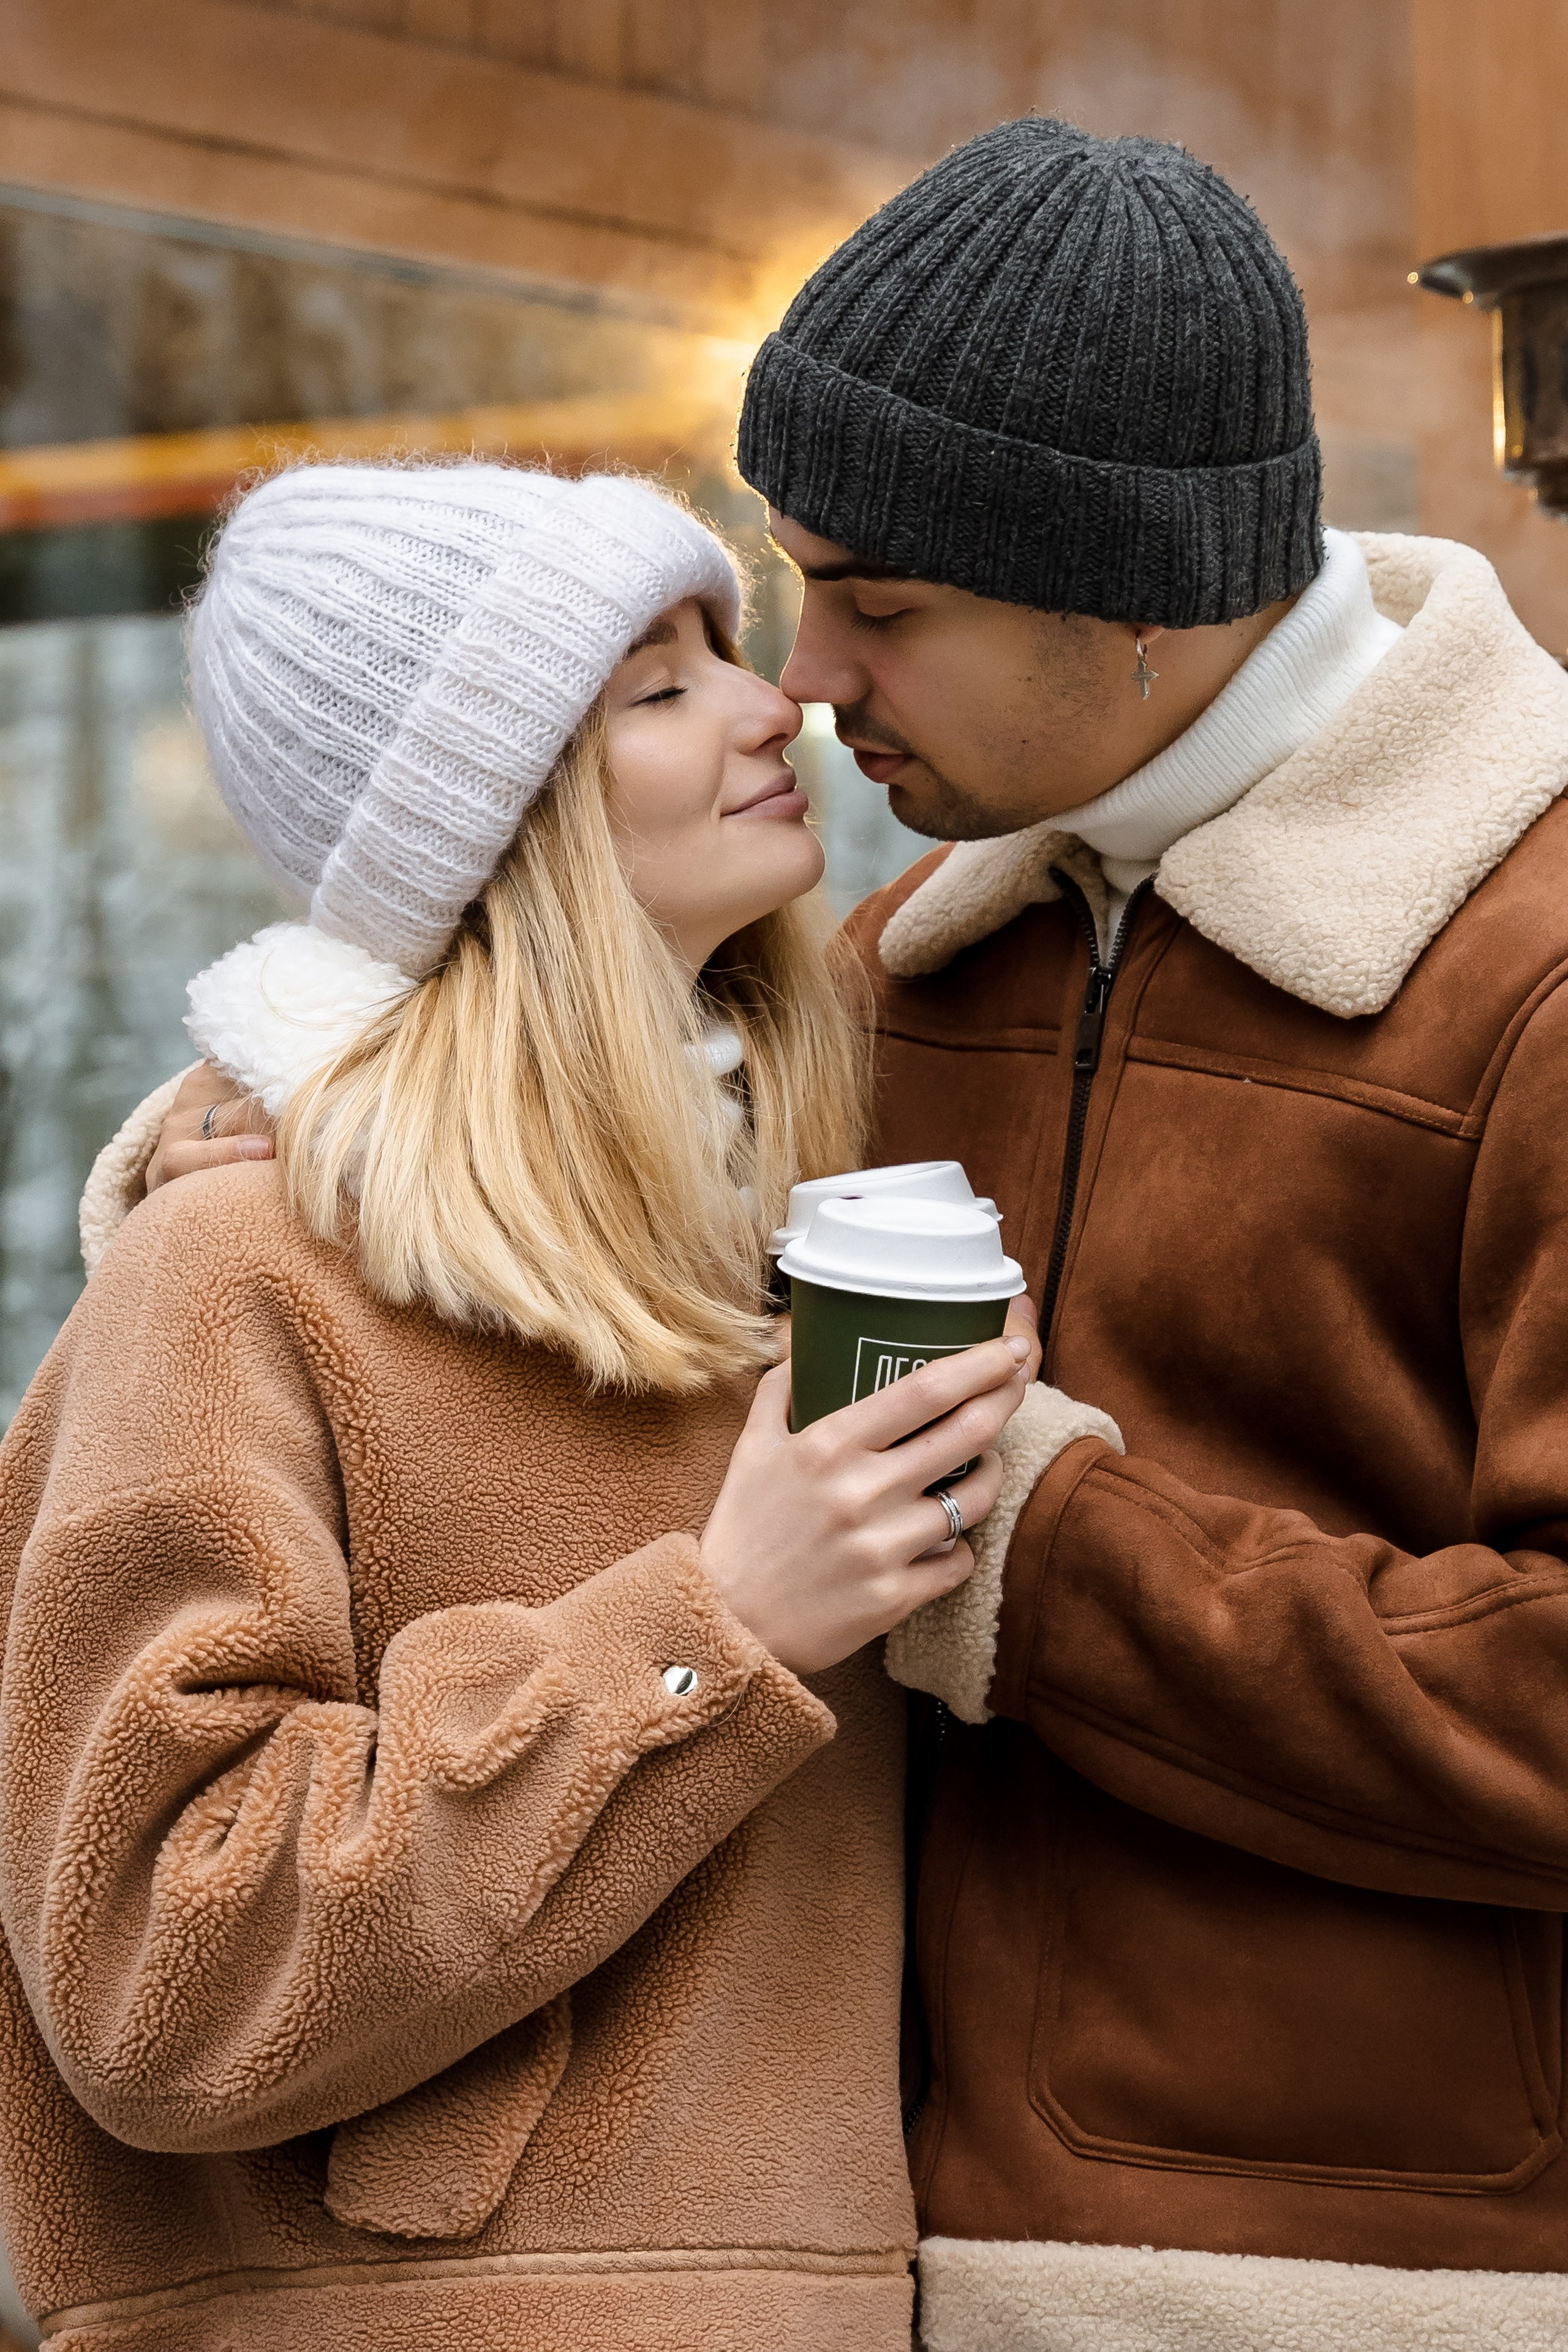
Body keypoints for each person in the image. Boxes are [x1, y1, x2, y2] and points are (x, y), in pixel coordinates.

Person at [92, 115, 1568, 2350]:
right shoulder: (892, 975)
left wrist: (1021, 1540)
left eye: (878, 606)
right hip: (839, 2269)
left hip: (1354, 2283)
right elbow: (541, 1089)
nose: (810, 685)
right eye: (768, 609)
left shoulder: (1530, 979)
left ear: (1131, 598)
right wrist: (302, 1113)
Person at [0, 461, 1036, 2351]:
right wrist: (708, 1638)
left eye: (725, 651)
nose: (771, 702)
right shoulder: (234, 1272)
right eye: (658, 686)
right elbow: (155, 1967)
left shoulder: (798, 1242)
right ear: (501, 818)